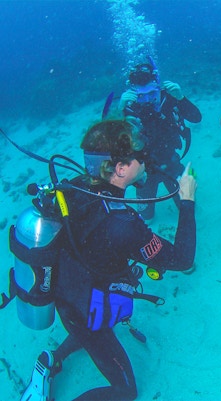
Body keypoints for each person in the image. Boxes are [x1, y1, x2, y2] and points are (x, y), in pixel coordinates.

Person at [21, 120, 197, 401]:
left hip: (68, 298)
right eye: (140, 155)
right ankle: (54, 363)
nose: (146, 158)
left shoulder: (75, 188)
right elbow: (182, 259)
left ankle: (53, 358)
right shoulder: (123, 226)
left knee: (90, 328)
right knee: (126, 391)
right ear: (121, 168)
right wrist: (187, 201)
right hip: (86, 314)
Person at [119, 60, 202, 221]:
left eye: (152, 93)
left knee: (187, 208)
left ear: (158, 88)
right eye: (141, 96)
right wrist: (119, 110)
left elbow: (196, 118)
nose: (148, 100)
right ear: (134, 94)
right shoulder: (130, 108)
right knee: (146, 217)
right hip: (143, 169)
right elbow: (107, 141)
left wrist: (181, 98)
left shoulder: (168, 99)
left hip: (171, 163)